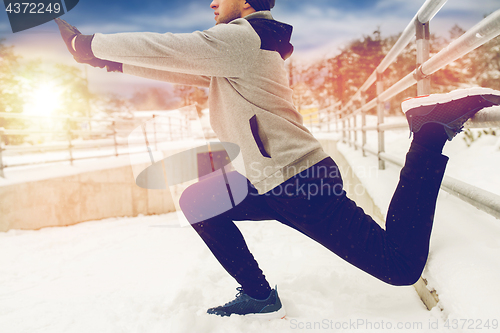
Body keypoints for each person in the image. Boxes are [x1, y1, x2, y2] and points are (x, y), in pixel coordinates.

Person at [55, 0, 500, 319]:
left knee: (400, 265)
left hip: (300, 186)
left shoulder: (241, 38)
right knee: (197, 202)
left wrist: (92, 45)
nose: (210, 3)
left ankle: (428, 133)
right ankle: (258, 294)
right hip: (272, 180)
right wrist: (106, 62)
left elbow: (168, 47)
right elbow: (177, 66)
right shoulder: (242, 44)